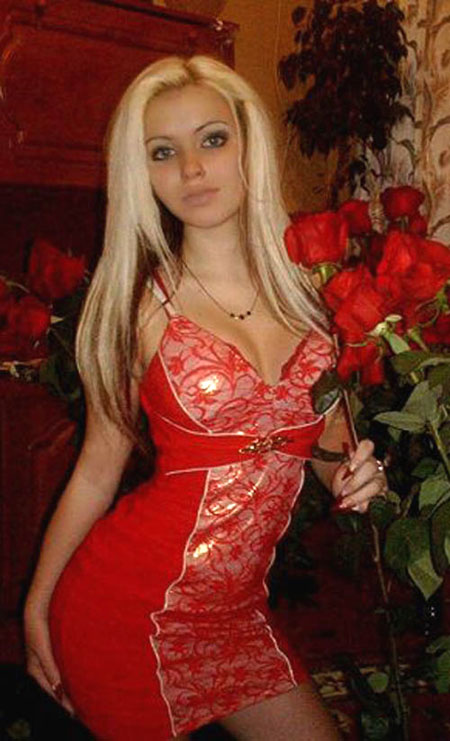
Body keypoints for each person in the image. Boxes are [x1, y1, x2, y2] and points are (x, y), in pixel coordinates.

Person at [24, 55, 387, 740]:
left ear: (249, 143)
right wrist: (36, 607)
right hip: (121, 611)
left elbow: (325, 445)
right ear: (142, 173)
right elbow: (97, 469)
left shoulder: (314, 295)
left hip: (236, 617)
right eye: (163, 152)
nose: (191, 168)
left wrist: (355, 474)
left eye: (212, 139)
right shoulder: (139, 307)